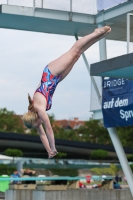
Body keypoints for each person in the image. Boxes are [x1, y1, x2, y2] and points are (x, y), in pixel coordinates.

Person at [22, 26, 111, 158]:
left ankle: (96, 33)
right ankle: (98, 37)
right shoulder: (35, 116)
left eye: (37, 124)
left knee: (74, 51)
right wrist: (48, 150)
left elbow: (49, 130)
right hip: (56, 80)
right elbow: (42, 134)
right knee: (77, 56)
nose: (38, 125)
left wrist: (53, 147)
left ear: (34, 118)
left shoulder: (39, 109)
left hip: (50, 72)